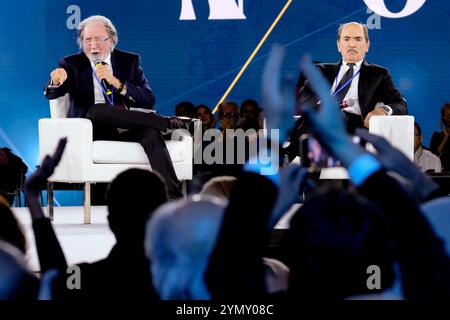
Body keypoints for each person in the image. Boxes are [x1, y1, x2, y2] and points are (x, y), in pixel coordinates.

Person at [43, 15, 187, 199]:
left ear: (111, 40)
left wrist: (116, 82)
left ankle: (173, 197)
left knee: (151, 134)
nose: (93, 45)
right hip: (93, 129)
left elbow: (148, 100)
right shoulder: (71, 64)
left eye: (98, 39)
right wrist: (54, 82)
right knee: (97, 110)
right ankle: (166, 122)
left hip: (127, 124)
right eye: (87, 40)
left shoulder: (129, 61)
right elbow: (52, 93)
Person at [24, 138, 168, 300]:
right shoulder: (186, 278)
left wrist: (32, 198)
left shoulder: (85, 276)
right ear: (164, 221)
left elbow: (55, 279)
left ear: (111, 222)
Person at [296, 22, 407, 130]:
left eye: (358, 39)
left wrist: (383, 110)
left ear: (367, 45)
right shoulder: (320, 70)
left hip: (355, 129)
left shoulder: (379, 74)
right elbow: (303, 101)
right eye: (346, 39)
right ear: (339, 45)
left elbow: (401, 104)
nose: (352, 44)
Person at [430, 103, 450, 171]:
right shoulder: (436, 136)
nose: (448, 118)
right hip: (441, 174)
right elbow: (433, 156)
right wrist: (445, 138)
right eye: (446, 115)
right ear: (442, 118)